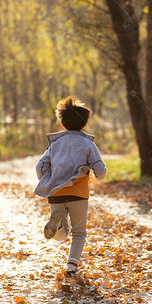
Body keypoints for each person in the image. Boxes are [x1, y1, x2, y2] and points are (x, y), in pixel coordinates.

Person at [34, 96, 107, 278]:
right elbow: (100, 169)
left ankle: (57, 224)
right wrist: (99, 176)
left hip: (56, 193)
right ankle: (71, 266)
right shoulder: (88, 144)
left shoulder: (55, 144)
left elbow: (40, 166)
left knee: (61, 234)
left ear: (63, 123)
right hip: (78, 195)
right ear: (84, 124)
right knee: (79, 232)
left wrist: (47, 180)